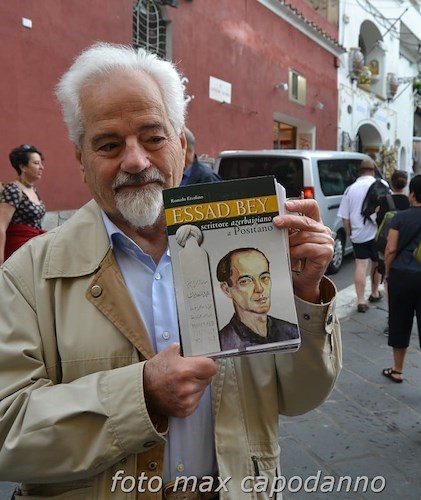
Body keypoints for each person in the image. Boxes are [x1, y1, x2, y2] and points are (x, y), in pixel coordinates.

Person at [0, 42, 342, 499]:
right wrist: (138, 395)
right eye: (108, 144)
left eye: (153, 137)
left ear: (180, 145)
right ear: (81, 159)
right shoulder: (29, 275)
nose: (136, 161)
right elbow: (7, 433)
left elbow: (302, 397)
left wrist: (304, 294)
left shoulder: (249, 252)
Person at [382, 174, 421, 395]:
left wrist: (387, 272)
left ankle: (397, 370)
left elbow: (391, 249)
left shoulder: (399, 218)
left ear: (412, 193)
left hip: (402, 276)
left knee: (399, 321)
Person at [216, 247, 298, 351]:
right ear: (227, 289)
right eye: (246, 281)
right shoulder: (222, 344)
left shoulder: (292, 332)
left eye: (264, 277)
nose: (259, 288)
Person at [337, 159, 383, 312]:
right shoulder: (382, 185)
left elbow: (345, 216)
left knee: (361, 265)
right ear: (373, 171)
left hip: (358, 233)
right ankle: (375, 292)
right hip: (378, 232)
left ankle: (361, 301)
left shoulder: (350, 189)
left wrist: (350, 233)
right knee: (377, 263)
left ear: (359, 172)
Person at [375, 169, 409, 335]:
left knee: (389, 281)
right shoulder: (409, 201)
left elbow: (379, 221)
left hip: (386, 245)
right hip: (405, 245)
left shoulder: (384, 200)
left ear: (391, 182)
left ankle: (392, 318)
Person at [0, 144, 46, 263]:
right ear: (23, 167)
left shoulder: (32, 189)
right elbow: (1, 226)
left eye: (41, 163)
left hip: (33, 248)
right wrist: (0, 258)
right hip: (17, 251)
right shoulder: (13, 190)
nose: (41, 167)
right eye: (36, 163)